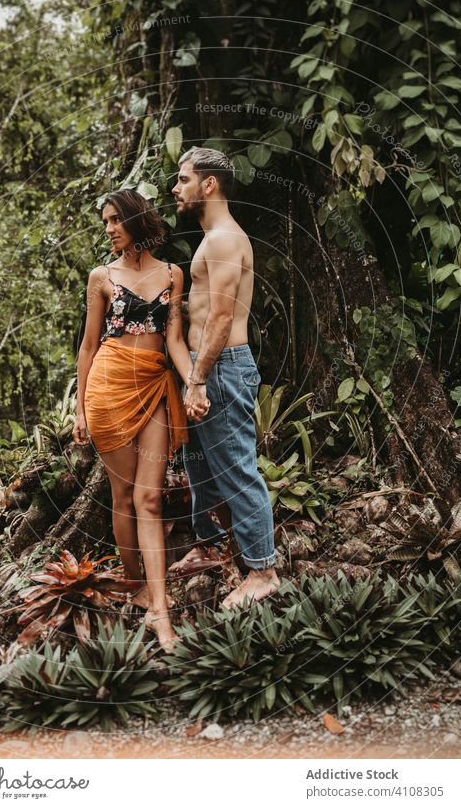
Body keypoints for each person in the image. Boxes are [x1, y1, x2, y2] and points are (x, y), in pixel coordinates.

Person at [73, 189, 193, 652]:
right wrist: (80, 408)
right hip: (108, 386)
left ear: (135, 219)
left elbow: (175, 338)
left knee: (150, 498)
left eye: (113, 220)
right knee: (123, 494)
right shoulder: (101, 276)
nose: (107, 229)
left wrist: (194, 384)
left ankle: (160, 611)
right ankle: (136, 585)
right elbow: (87, 347)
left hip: (156, 385)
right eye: (104, 222)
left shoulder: (172, 274)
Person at [169, 146, 280, 609]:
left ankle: (263, 571)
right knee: (200, 465)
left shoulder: (224, 240)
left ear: (208, 184)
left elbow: (219, 318)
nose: (176, 189)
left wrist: (197, 380)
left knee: (235, 465)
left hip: (219, 368)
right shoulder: (212, 237)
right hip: (203, 367)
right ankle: (211, 545)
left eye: (183, 179)